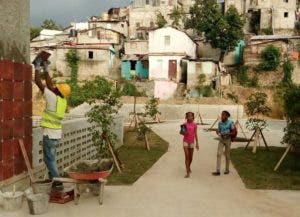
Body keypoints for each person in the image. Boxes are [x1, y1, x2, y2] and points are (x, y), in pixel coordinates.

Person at [34, 58, 71, 189]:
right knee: (51, 159)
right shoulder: (62, 101)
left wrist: (37, 67)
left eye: (57, 88)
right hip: (56, 135)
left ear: (58, 91)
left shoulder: (52, 97)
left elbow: (38, 82)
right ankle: (54, 183)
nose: (55, 87)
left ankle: (58, 182)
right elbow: (50, 86)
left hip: (49, 135)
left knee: (49, 160)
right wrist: (46, 68)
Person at [212, 111, 235, 176]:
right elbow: (219, 131)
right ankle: (218, 171)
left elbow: (233, 132)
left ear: (227, 116)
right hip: (221, 140)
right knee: (219, 154)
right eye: (221, 115)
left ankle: (227, 169)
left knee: (227, 155)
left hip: (228, 140)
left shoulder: (231, 122)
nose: (221, 116)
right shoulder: (220, 123)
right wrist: (217, 132)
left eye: (223, 115)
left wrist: (227, 133)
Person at [180, 112, 199, 178]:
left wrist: (197, 143)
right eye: (188, 116)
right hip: (185, 142)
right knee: (187, 157)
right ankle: (187, 172)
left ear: (193, 117)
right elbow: (181, 132)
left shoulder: (195, 125)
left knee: (191, 158)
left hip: (192, 142)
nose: (190, 117)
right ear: (186, 117)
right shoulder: (184, 124)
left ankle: (188, 166)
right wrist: (184, 132)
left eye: (191, 116)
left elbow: (196, 134)